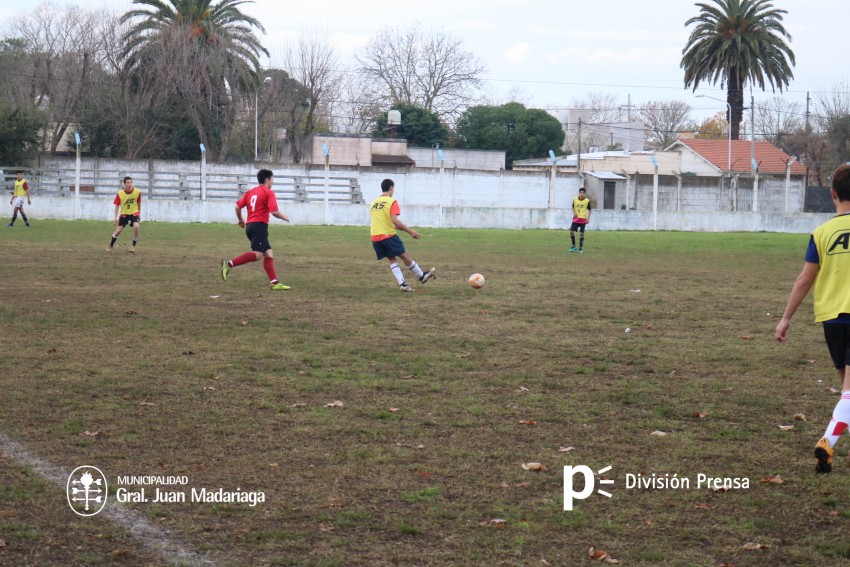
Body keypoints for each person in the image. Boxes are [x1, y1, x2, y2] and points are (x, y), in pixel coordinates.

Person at [775, 164, 850, 474]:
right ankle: (827, 441)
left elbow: (804, 279)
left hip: (832, 320)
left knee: (848, 390)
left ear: (832, 193)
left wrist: (785, 318)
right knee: (849, 392)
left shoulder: (821, 233)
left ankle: (831, 443)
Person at [221, 169, 291, 290]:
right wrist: (284, 217)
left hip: (250, 226)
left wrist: (240, 220)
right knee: (258, 255)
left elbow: (237, 207)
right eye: (272, 180)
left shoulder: (250, 192)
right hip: (259, 226)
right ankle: (228, 264)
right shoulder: (269, 193)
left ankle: (274, 283)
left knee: (268, 253)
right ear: (267, 180)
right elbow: (273, 211)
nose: (273, 182)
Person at [369, 178, 435, 292]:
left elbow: (385, 223)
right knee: (404, 256)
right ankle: (421, 276)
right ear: (391, 188)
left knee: (392, 259)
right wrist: (410, 231)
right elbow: (394, 220)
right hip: (388, 236)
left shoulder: (374, 202)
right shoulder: (391, 201)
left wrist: (402, 229)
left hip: (375, 237)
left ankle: (403, 284)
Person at [107, 177, 141, 252]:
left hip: (134, 212)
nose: (130, 184)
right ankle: (111, 245)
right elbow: (117, 206)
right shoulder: (120, 193)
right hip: (124, 213)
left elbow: (139, 203)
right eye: (128, 183)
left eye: (131, 182)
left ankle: (133, 245)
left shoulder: (137, 192)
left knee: (136, 227)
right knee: (118, 231)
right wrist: (115, 218)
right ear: (124, 184)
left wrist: (139, 213)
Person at [569, 187, 591, 253]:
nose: (582, 194)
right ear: (579, 193)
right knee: (571, 232)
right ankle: (574, 246)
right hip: (576, 219)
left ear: (585, 194)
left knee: (581, 234)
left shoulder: (587, 201)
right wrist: (574, 212)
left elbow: (590, 210)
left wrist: (588, 218)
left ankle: (580, 248)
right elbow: (572, 207)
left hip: (583, 220)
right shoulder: (575, 199)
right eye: (581, 193)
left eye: (583, 193)